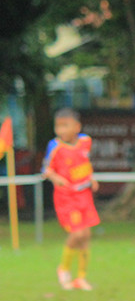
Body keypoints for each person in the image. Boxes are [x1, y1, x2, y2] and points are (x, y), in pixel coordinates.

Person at [42, 108, 100, 291]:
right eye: (57, 126)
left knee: (86, 236)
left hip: (85, 195)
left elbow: (84, 163)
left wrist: (90, 178)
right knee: (77, 234)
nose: (61, 130)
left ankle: (81, 277)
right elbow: (47, 170)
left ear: (77, 127)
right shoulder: (55, 146)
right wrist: (56, 178)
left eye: (65, 125)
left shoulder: (85, 141)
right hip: (67, 197)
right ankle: (64, 268)